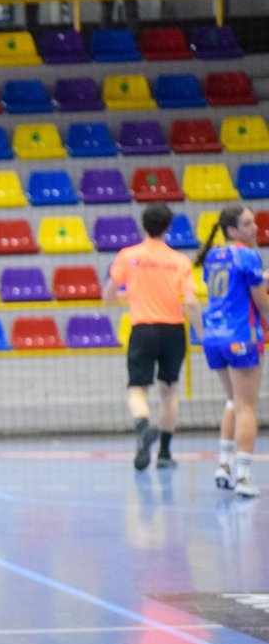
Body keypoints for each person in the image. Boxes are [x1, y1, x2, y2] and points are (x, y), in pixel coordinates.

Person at [104, 203, 204, 471]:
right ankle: (164, 453)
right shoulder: (180, 261)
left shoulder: (129, 256)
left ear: (143, 225)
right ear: (168, 228)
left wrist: (130, 294)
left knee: (137, 387)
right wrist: (203, 334)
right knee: (169, 391)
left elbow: (109, 294)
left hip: (143, 328)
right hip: (173, 330)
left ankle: (143, 425)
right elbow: (192, 303)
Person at [194, 206, 269, 499]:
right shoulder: (247, 255)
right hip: (241, 336)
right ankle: (243, 476)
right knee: (247, 406)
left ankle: (224, 466)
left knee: (233, 401)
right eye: (248, 224)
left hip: (214, 337)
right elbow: (261, 303)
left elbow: (234, 289)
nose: (255, 228)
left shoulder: (213, 255)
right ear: (233, 230)